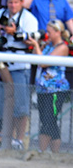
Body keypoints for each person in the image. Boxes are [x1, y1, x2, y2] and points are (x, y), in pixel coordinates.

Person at [0, 0, 39, 148]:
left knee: (21, 106)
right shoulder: (1, 14)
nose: (13, 5)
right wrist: (0, 29)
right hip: (0, 64)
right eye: (10, 2)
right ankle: (5, 137)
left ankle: (20, 140)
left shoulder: (29, 18)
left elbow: (32, 40)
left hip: (19, 65)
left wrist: (16, 32)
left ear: (22, 2)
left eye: (16, 2)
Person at [26, 20, 71, 153]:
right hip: (43, 89)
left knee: (48, 121)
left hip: (55, 90)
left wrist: (36, 45)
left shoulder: (62, 47)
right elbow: (36, 58)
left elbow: (44, 63)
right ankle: (55, 154)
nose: (47, 34)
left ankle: (41, 151)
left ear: (58, 32)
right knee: (50, 122)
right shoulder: (48, 45)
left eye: (49, 32)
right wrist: (36, 45)